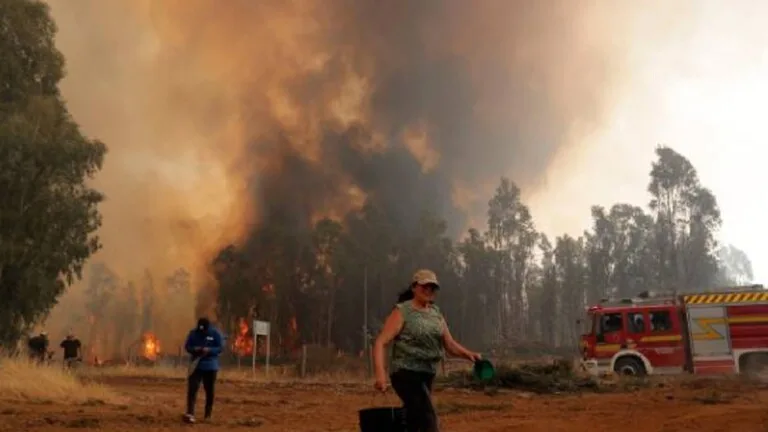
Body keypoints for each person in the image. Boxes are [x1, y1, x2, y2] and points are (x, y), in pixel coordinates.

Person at [373, 269, 481, 432]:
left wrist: (469, 355)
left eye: (432, 288)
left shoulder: (436, 313)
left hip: (426, 374)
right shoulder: (403, 311)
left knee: (415, 420)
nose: (428, 290)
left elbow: (449, 344)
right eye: (425, 286)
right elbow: (381, 342)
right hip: (405, 373)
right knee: (429, 420)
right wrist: (380, 375)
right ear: (414, 287)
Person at [183, 317, 223, 424]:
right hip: (196, 366)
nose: (202, 332)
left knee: (209, 391)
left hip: (211, 367)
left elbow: (220, 348)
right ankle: (190, 413)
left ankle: (208, 415)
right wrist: (195, 349)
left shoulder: (215, 334)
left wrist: (209, 350)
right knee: (192, 389)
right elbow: (187, 346)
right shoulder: (193, 333)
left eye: (204, 330)